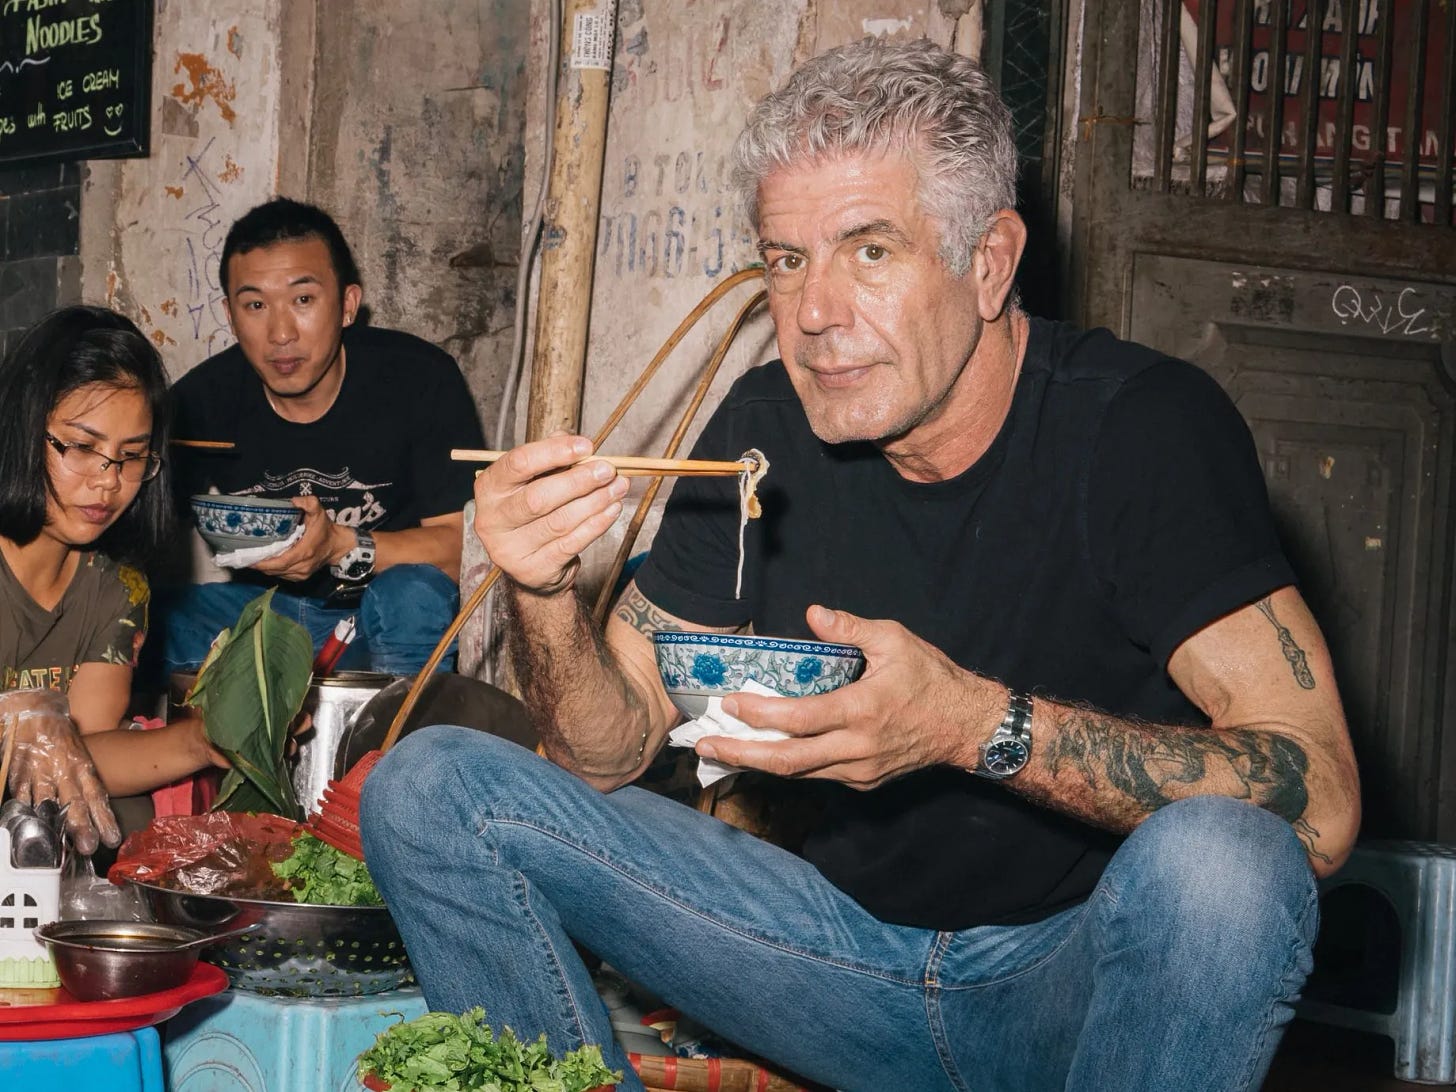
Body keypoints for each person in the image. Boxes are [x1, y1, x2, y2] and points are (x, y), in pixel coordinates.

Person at [361, 38, 1360, 1092]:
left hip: (1062, 985)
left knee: (1224, 866)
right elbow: (602, 753)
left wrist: (970, 725)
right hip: (825, 962)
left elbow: (1324, 809)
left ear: (988, 262)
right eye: (786, 260)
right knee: (430, 786)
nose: (815, 314)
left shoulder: (1137, 429)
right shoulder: (762, 427)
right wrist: (543, 590)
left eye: (869, 251)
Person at [159, 198, 485, 678]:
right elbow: (135, 528)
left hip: (382, 615)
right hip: (263, 616)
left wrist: (339, 544)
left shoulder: (419, 380)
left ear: (348, 305)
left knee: (414, 597)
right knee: (154, 622)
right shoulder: (201, 400)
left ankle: (401, 744)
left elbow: (462, 547)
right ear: (231, 315)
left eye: (303, 300)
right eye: (255, 305)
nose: (281, 333)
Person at [0, 307, 232, 854]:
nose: (108, 482)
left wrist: (206, 739)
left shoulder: (117, 588)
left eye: (130, 457)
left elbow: (84, 755)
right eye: (81, 447)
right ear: (22, 430)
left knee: (126, 810)